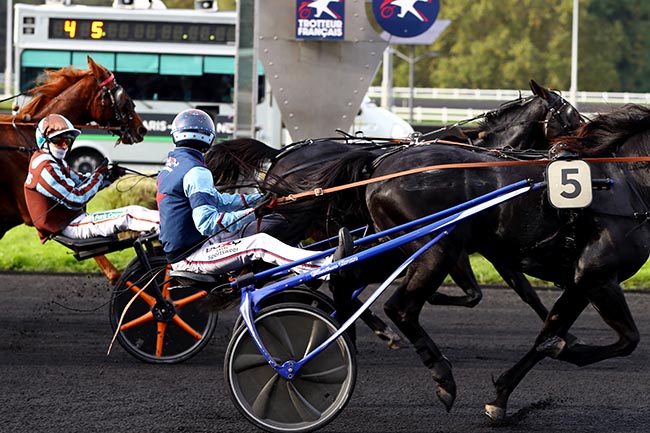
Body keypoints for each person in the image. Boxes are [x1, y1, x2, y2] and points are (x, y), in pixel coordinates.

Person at [156, 108, 352, 277]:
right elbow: (207, 223)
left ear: (176, 134)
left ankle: (302, 267)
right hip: (192, 256)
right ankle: (328, 267)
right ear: (209, 137)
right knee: (260, 243)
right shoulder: (196, 171)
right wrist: (254, 213)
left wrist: (259, 200)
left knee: (276, 224)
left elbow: (218, 200)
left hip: (195, 246)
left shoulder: (172, 167)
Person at [24, 113, 160, 243]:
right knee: (130, 215)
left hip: (71, 220)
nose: (64, 145)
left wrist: (109, 177)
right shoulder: (44, 168)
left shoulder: (54, 161)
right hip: (69, 226)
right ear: (44, 141)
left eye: (68, 140)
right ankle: (173, 229)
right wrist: (98, 176)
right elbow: (76, 199)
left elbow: (83, 181)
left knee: (134, 211)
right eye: (58, 141)